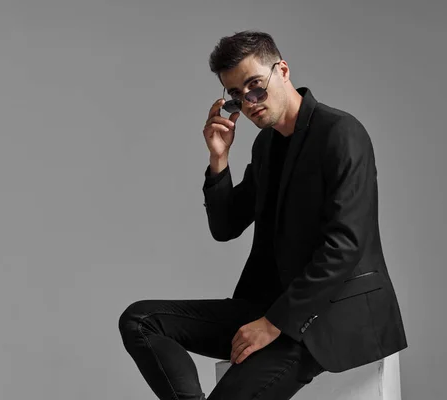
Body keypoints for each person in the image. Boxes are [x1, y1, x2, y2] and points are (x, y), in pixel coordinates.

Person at [118, 30, 408, 400]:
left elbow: (344, 246)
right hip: (269, 306)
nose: (249, 102)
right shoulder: (267, 144)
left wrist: (273, 324)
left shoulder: (341, 134)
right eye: (236, 96)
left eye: (255, 86)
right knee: (140, 321)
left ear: (282, 71)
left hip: (327, 315)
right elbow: (226, 227)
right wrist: (218, 160)